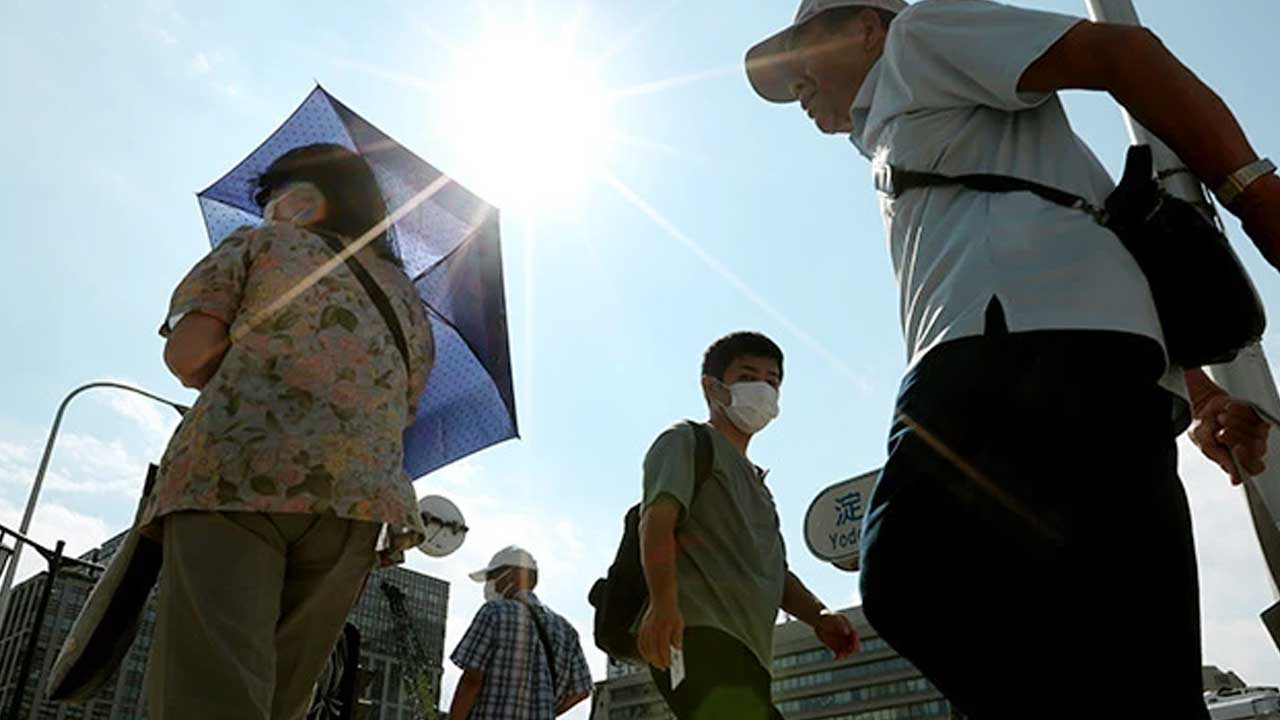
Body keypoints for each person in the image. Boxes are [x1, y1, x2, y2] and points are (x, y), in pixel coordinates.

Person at [744, 1, 1280, 717]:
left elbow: (1125, 54)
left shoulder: (918, 40)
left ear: (868, 25)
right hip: (1116, 388)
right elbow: (1100, 252)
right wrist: (1206, 397)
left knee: (911, 572)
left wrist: (1253, 190)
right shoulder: (971, 136)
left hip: (999, 357)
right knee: (1144, 666)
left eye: (798, 54)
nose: (794, 83)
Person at [146, 143, 434, 720]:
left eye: (273, 196)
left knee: (209, 691)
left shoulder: (258, 246)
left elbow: (189, 355)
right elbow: (402, 408)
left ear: (303, 200)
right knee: (284, 700)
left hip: (235, 475)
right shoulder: (409, 304)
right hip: (355, 506)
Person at [637, 331, 859, 720]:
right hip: (696, 636)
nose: (762, 389)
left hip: (751, 652)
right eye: (747, 377)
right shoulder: (686, 441)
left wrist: (818, 616)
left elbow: (775, 572)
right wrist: (663, 603)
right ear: (712, 387)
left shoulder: (760, 486)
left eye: (772, 382)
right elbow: (656, 521)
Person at [448, 546, 594, 720]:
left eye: (492, 577)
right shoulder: (566, 630)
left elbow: (472, 680)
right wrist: (546, 711)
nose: (489, 584)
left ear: (512, 576)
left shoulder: (494, 612)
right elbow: (582, 691)